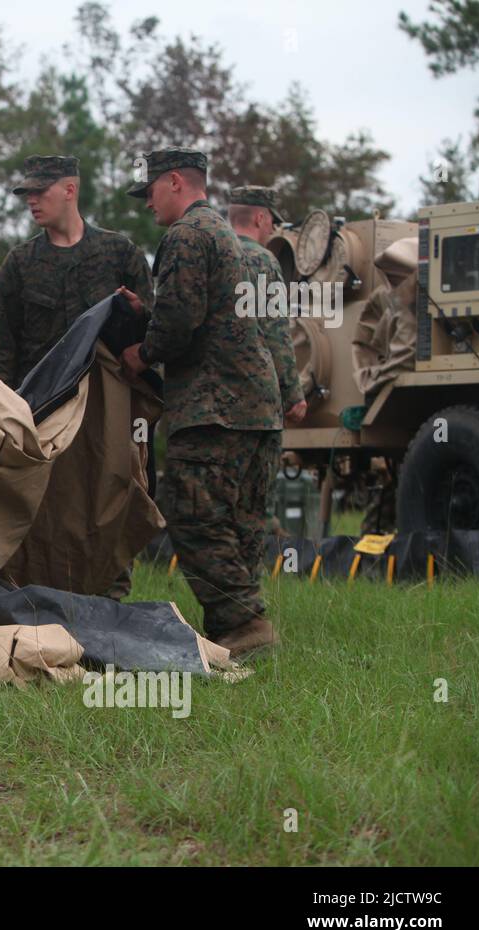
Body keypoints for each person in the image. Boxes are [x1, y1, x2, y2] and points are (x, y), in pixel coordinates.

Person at [117, 148, 284, 656]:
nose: (148, 204)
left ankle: (242, 623)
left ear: (173, 182)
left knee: (190, 513)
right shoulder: (222, 234)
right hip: (256, 405)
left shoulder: (186, 235)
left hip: (214, 405)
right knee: (240, 521)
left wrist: (140, 355)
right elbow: (208, 310)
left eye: (149, 192)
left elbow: (182, 322)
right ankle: (235, 624)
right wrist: (150, 309)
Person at [0, 155, 154, 388]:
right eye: (28, 194)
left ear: (69, 190)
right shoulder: (19, 263)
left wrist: (139, 313)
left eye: (40, 191)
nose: (31, 201)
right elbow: (1, 348)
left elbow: (153, 333)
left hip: (104, 396)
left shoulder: (120, 253)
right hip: (40, 404)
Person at [227, 185, 307, 425]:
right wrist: (293, 393)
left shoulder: (213, 253)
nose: (273, 228)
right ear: (260, 218)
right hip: (255, 403)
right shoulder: (264, 261)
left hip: (211, 400)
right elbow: (276, 332)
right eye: (272, 220)